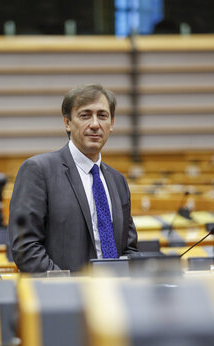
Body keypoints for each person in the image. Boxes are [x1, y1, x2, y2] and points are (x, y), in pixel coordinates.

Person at [8, 83, 138, 273]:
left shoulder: (118, 181)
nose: (95, 124)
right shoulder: (38, 171)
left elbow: (129, 248)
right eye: (85, 115)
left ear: (112, 124)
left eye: (102, 116)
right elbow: (26, 248)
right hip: (63, 298)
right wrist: (70, 288)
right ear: (67, 123)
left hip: (112, 297)